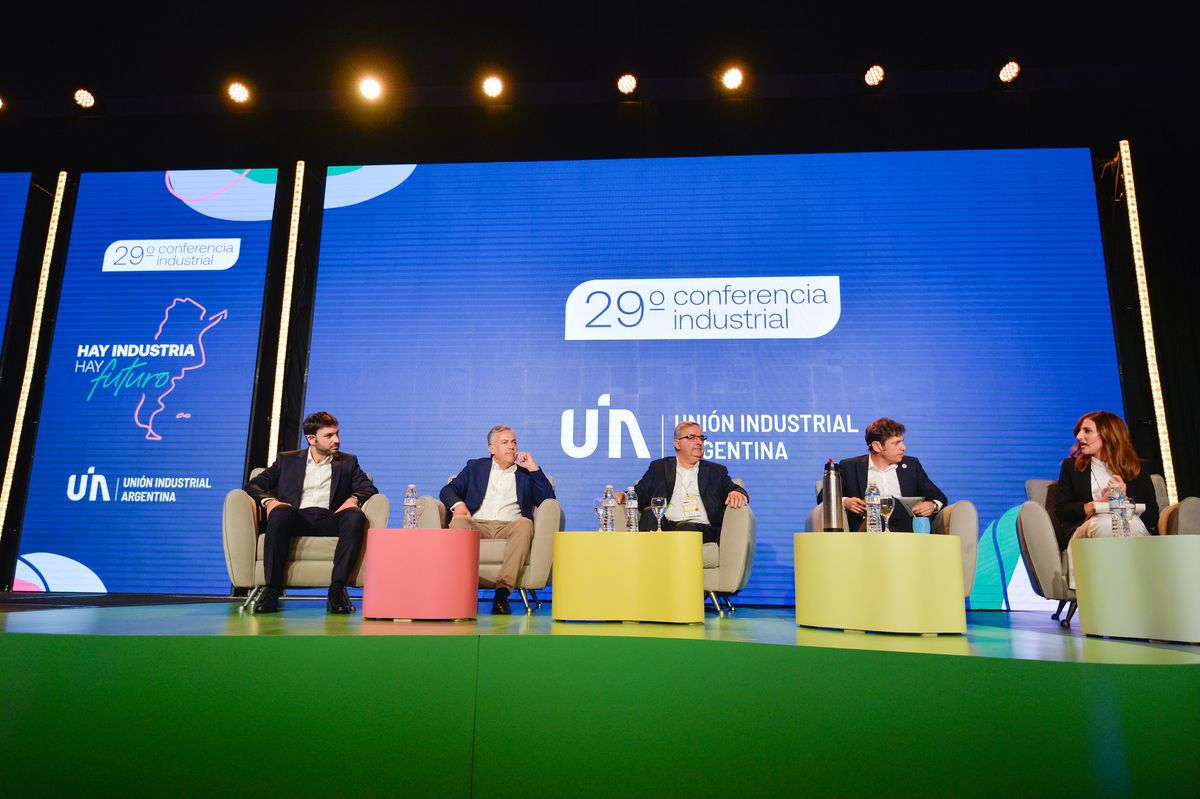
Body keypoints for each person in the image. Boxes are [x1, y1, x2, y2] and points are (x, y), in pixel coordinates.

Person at [245, 411, 378, 614]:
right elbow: (253, 485)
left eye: (337, 434)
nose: (337, 440)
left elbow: (368, 487)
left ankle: (336, 590)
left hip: (329, 518)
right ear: (311, 439)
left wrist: (353, 499)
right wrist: (269, 501)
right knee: (279, 514)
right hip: (296, 516)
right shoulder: (286, 461)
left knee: (355, 516)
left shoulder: (348, 462)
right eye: (329, 435)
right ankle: (271, 590)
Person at [440, 425, 555, 615]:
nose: (511, 446)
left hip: (510, 526)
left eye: (514, 442)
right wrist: (458, 505)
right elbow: (447, 490)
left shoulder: (525, 473)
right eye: (505, 442)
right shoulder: (475, 467)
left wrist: (533, 468)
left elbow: (548, 499)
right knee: (458, 522)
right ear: (492, 449)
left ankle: (502, 592)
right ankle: (458, 589)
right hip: (478, 525)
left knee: (525, 524)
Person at [618, 421, 748, 543]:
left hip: (700, 529)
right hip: (666, 526)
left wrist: (736, 491)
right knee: (649, 515)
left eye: (701, 438)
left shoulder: (715, 471)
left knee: (686, 529)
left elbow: (731, 487)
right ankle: (648, 563)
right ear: (677, 443)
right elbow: (641, 492)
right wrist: (624, 496)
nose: (699, 442)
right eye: (692, 437)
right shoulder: (659, 468)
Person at [1054, 410, 1158, 548]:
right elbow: (1062, 511)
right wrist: (1098, 504)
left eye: (1087, 431)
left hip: (1132, 527)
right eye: (1079, 431)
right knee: (1105, 524)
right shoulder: (1071, 467)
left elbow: (1152, 516)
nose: (1079, 436)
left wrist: (1124, 501)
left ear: (1107, 434)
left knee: (1130, 523)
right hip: (1086, 531)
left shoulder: (1138, 468)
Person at [833, 417, 946, 532]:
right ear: (877, 446)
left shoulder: (911, 465)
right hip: (867, 529)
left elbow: (939, 497)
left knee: (895, 504)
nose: (903, 447)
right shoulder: (850, 467)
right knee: (879, 510)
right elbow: (824, 497)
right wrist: (846, 502)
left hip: (906, 528)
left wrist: (932, 505)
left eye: (902, 441)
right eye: (897, 443)